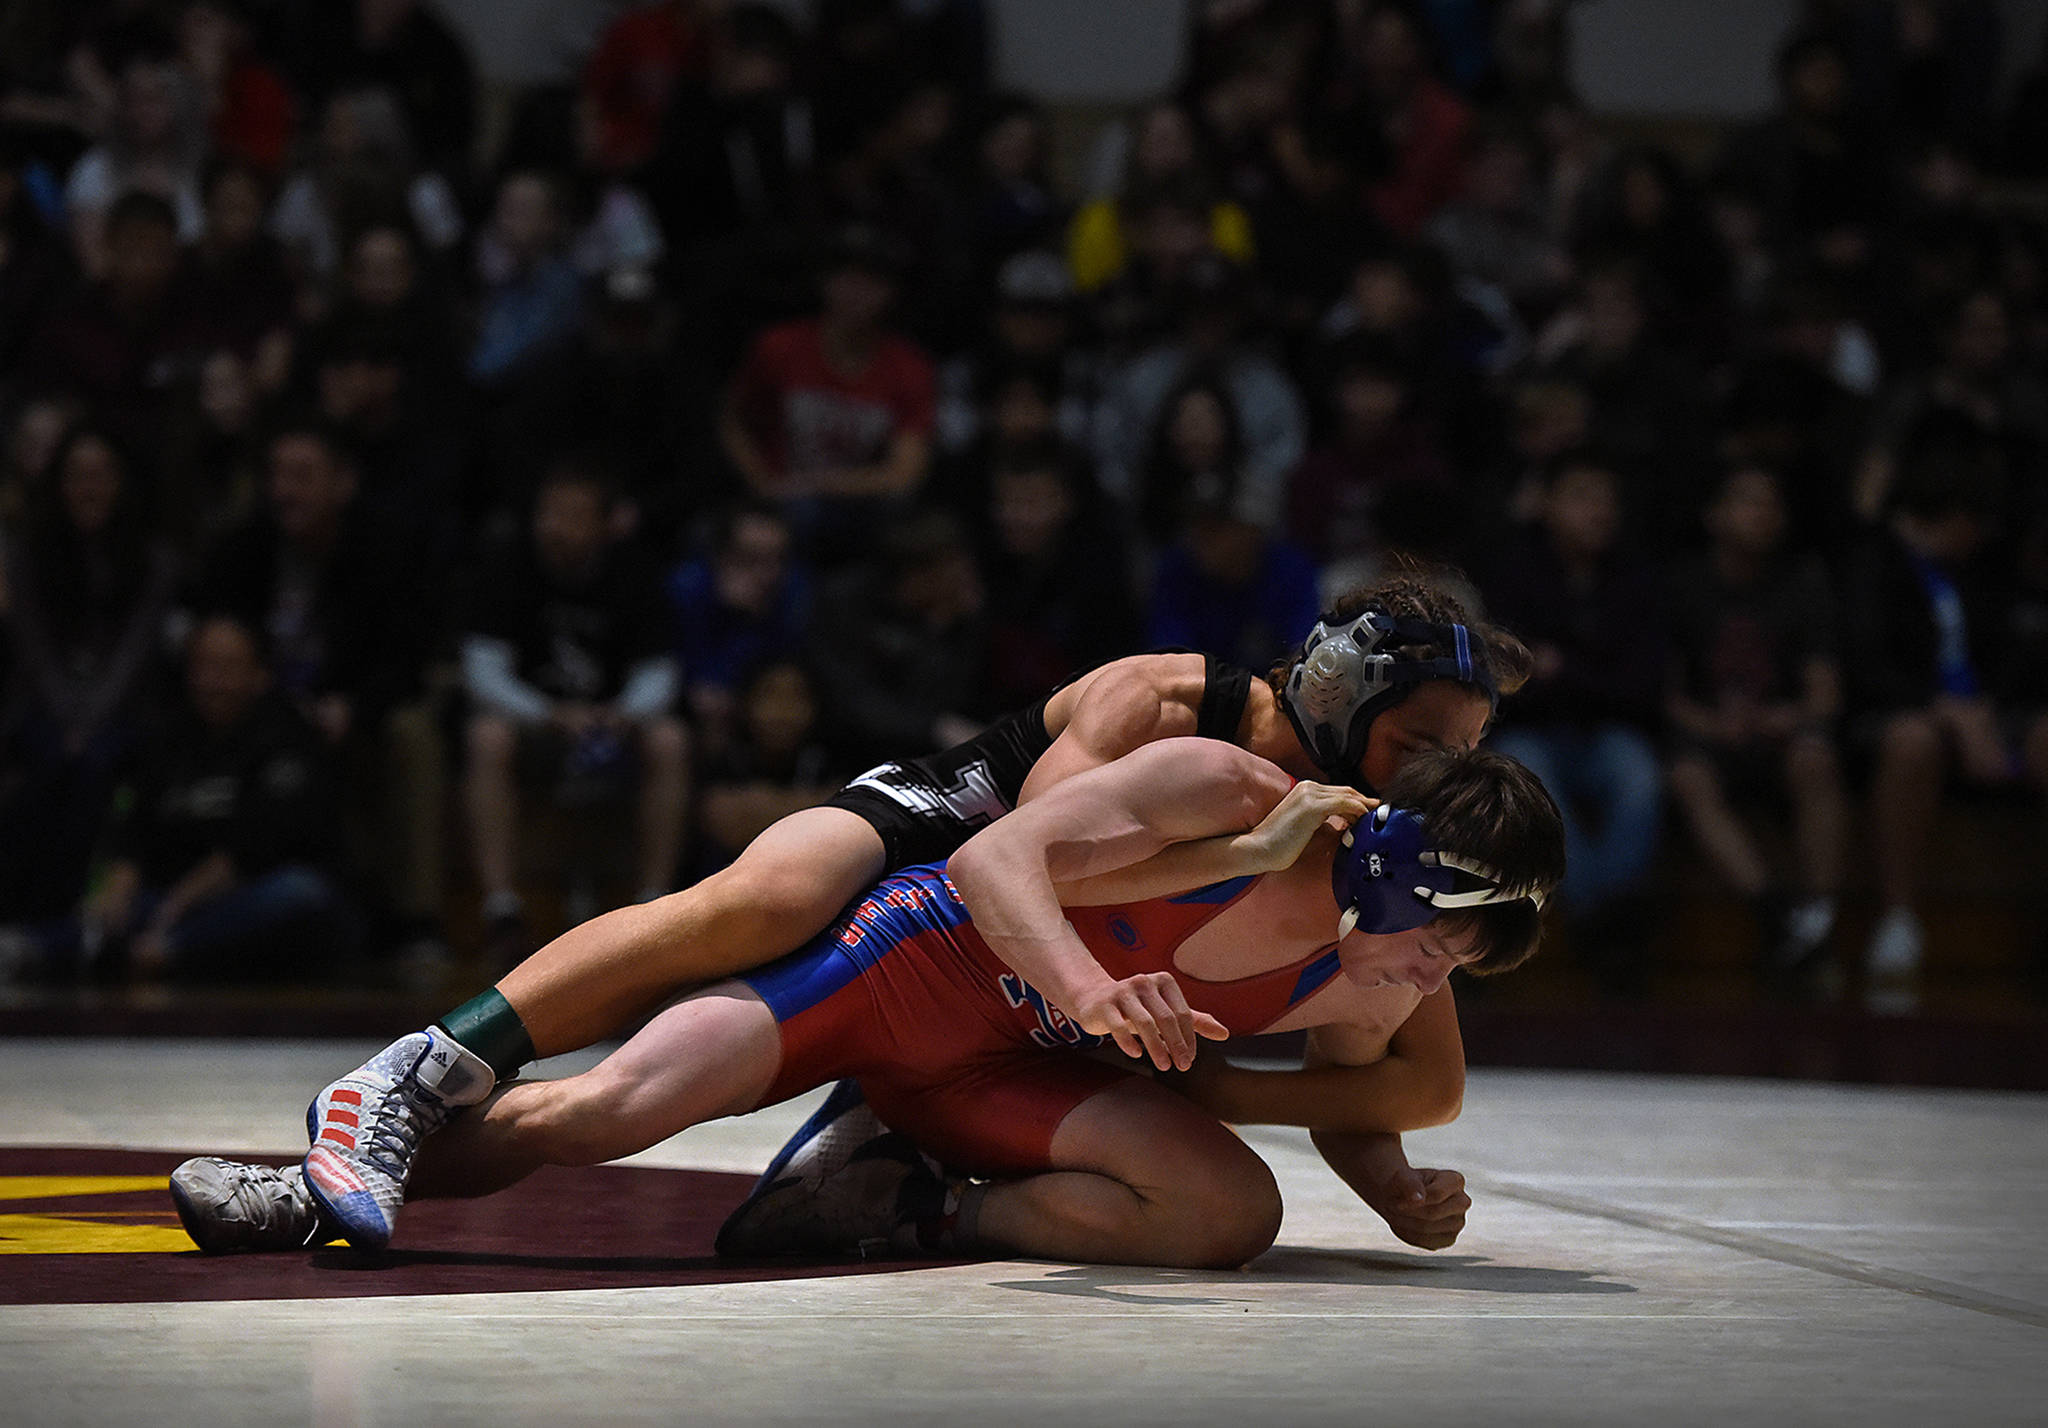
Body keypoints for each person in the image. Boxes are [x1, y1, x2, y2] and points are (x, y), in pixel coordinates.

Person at [190, 572, 1527, 1252]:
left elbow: (1385, 1060)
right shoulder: (1177, 719)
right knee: (767, 893)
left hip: (1031, 997)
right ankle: (433, 1062)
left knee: (1209, 1180)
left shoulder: (1361, 851)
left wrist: (1379, 1169)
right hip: (967, 844)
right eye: (1422, 743)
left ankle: (886, 1166)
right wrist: (1204, 892)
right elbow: (1019, 864)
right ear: (1350, 696)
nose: (1438, 776)